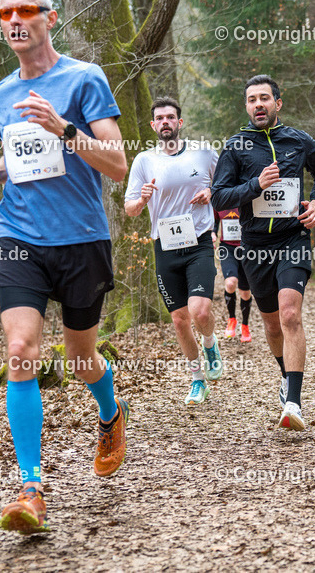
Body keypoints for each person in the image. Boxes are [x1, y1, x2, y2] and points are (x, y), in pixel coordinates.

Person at [0, 0, 128, 534]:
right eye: (5, 13)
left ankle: (110, 415)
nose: (15, 20)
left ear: (50, 18)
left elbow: (117, 165)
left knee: (82, 360)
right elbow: (20, 157)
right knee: (20, 350)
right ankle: (31, 489)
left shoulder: (84, 78)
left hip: (81, 239)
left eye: (25, 11)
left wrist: (64, 129)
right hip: (20, 236)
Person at [211, 75, 315, 431]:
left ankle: (293, 402)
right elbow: (219, 197)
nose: (258, 104)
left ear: (278, 103)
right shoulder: (236, 147)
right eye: (251, 99)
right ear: (247, 107)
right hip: (255, 247)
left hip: (292, 239)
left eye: (264, 98)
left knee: (290, 314)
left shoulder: (299, 141)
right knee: (270, 324)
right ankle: (285, 377)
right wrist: (255, 185)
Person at [124, 97, 222, 405]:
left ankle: (210, 342)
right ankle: (197, 379)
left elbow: (227, 185)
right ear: (153, 126)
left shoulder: (204, 153)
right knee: (179, 319)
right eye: (160, 118)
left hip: (199, 242)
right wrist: (141, 200)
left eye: (171, 117)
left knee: (200, 311)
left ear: (179, 123)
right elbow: (129, 209)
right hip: (164, 246)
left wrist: (211, 192)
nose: (165, 122)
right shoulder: (143, 161)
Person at [214, 208, 252, 342]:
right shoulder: (222, 197)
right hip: (227, 248)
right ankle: (232, 319)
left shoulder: (247, 195)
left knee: (245, 292)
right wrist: (213, 233)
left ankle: (245, 326)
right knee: (230, 283)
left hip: (246, 248)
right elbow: (214, 219)